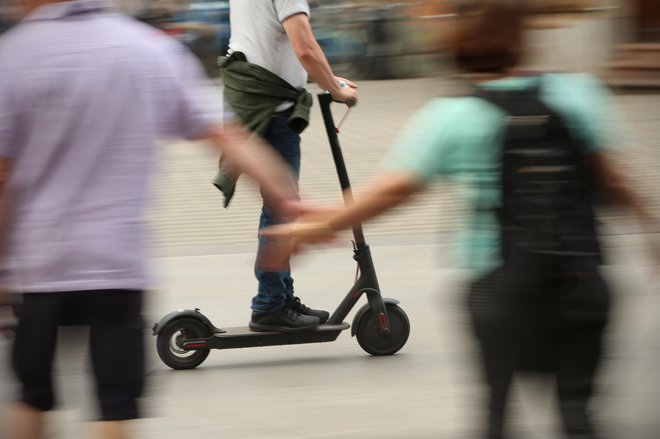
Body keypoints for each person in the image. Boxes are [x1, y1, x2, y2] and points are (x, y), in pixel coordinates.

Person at [264, 1, 659, 437]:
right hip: (581, 282)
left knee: (496, 410)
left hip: (499, 287)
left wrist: (316, 226)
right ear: (524, 40)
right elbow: (614, 182)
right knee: (577, 412)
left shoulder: (452, 116)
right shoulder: (578, 93)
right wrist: (650, 228)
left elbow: (392, 191)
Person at [0, 1, 300, 438]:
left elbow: (3, 176)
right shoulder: (146, 49)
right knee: (115, 407)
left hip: (40, 269)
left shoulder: (15, 55)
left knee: (33, 395)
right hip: (117, 267)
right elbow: (226, 136)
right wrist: (287, 201)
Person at [214, 0, 358, 333]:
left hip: (255, 98)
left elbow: (268, 45)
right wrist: (335, 89)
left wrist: (328, 78)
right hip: (269, 107)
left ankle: (280, 296)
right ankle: (269, 306)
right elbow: (304, 47)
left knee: (281, 207)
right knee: (283, 209)